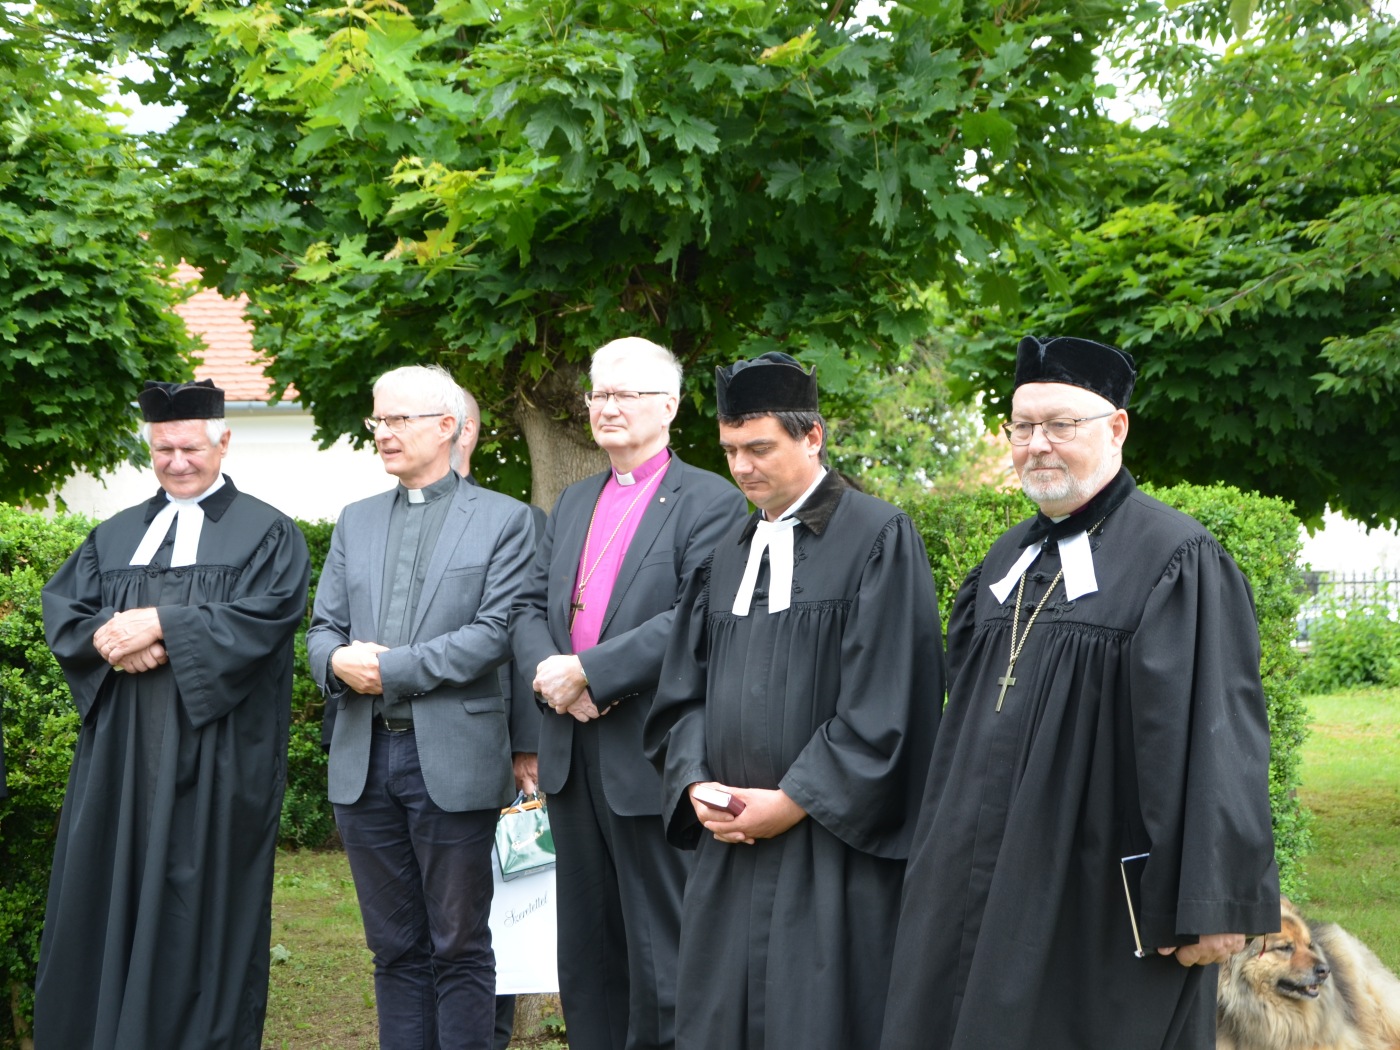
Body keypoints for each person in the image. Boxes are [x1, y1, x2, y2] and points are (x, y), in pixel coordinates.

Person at [880, 335, 1281, 1050]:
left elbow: (1214, 737)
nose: (1038, 444)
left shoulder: (1175, 557)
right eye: (1022, 427)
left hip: (1093, 879)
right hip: (973, 871)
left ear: (1116, 427)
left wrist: (1213, 900)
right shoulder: (1005, 558)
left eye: (1061, 424)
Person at [643, 352, 944, 1050]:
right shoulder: (726, 553)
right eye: (729, 451)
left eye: (759, 448)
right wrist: (696, 784)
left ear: (813, 437)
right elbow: (682, 693)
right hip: (730, 846)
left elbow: (889, 698)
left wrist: (793, 800)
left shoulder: (877, 537)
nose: (741, 468)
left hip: (830, 849)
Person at [36, 379, 311, 1049]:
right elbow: (66, 612)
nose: (177, 461)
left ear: (223, 441)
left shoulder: (268, 534)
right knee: (108, 888)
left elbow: (265, 619)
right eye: (163, 449)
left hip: (216, 755)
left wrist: (162, 624)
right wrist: (112, 637)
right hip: (120, 759)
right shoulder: (113, 534)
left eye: (190, 447)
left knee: (199, 900)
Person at [510, 337, 747, 1050]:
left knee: (661, 953)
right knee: (587, 955)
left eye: (625, 394)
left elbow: (695, 616)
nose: (607, 407)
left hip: (648, 753)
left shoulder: (711, 501)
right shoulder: (575, 500)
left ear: (669, 406)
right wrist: (554, 677)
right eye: (599, 394)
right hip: (570, 754)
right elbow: (527, 607)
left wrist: (591, 672)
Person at [307, 365, 537, 1050]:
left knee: (459, 944)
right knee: (393, 949)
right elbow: (321, 630)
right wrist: (335, 662)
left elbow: (495, 635)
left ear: (446, 427)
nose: (383, 432)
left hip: (453, 761)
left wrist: (388, 670)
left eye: (398, 419)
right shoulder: (355, 520)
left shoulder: (505, 519)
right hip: (363, 760)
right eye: (377, 419)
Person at [449, 383, 546, 1050]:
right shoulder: (373, 523)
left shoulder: (513, 521)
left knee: (491, 918)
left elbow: (524, 635)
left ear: (464, 432)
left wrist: (527, 744)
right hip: (406, 754)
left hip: (490, 752)